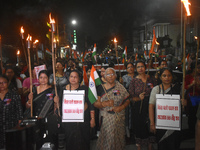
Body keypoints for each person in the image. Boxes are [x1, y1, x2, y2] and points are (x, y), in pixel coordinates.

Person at [57, 70, 95, 150]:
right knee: (71, 141)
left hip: (83, 121)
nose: (73, 78)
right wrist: (56, 101)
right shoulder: (64, 90)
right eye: (71, 76)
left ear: (79, 79)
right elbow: (59, 106)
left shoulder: (85, 89)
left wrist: (92, 118)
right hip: (69, 122)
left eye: (75, 77)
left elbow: (91, 105)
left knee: (84, 141)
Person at [94, 67, 130, 150]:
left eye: (112, 74)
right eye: (108, 74)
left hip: (119, 117)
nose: (110, 76)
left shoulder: (120, 86)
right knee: (108, 139)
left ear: (116, 76)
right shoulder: (100, 88)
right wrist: (104, 103)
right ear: (104, 76)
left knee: (118, 138)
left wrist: (121, 107)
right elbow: (96, 104)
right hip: (106, 117)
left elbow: (127, 100)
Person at [149, 67, 182, 150]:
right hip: (161, 124)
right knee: (162, 145)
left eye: (169, 75)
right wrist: (152, 123)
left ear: (172, 77)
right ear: (160, 77)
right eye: (164, 76)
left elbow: (181, 106)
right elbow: (151, 106)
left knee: (174, 144)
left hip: (174, 124)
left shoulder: (178, 88)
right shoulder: (156, 89)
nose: (167, 78)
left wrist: (184, 102)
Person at [129, 60, 155, 150]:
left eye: (142, 66)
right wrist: (138, 98)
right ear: (136, 69)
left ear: (145, 67)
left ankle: (150, 145)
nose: (140, 68)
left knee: (149, 124)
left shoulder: (150, 79)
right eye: (138, 67)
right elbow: (131, 97)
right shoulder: (134, 81)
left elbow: (154, 90)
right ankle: (139, 145)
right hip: (138, 107)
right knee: (139, 126)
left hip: (150, 106)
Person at [26, 70, 58, 144]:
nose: (43, 80)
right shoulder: (33, 90)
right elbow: (27, 107)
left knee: (50, 141)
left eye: (45, 77)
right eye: (41, 77)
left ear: (48, 78)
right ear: (38, 79)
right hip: (36, 119)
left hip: (49, 119)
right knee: (38, 141)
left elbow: (57, 107)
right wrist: (29, 101)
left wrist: (57, 101)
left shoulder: (53, 90)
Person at [0, 75, 23, 149]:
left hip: (11, 125)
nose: (2, 85)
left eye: (4, 82)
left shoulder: (14, 95)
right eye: (0, 83)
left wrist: (19, 122)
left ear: (8, 83)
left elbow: (19, 110)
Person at [185, 61, 200, 136]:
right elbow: (185, 87)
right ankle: (191, 131)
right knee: (192, 115)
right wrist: (192, 84)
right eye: (198, 67)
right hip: (191, 98)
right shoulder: (188, 77)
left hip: (199, 98)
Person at [122, 62, 135, 139]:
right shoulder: (124, 78)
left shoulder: (137, 76)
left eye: (131, 67)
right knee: (128, 115)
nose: (130, 68)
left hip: (137, 98)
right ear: (126, 69)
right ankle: (128, 131)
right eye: (128, 67)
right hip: (128, 99)